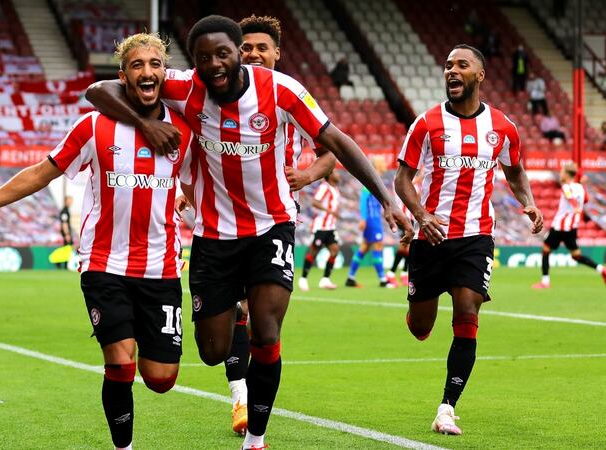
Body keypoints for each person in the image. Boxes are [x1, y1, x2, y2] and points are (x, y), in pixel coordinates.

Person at [86, 16, 411, 450]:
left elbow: (336, 140)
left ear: (239, 52)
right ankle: (236, 318)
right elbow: (100, 90)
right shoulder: (186, 86)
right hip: (214, 234)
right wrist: (146, 124)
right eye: (204, 58)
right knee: (212, 350)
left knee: (267, 333)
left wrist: (387, 197)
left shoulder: (281, 90)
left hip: (271, 227)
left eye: (223, 54)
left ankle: (256, 439)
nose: (214, 65)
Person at [0, 33, 194, 450]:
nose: (147, 71)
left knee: (161, 379)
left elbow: (209, 178)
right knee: (120, 361)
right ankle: (123, 448)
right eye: (137, 65)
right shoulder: (93, 125)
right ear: (123, 75)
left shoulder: (184, 129)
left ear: (165, 72)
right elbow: (41, 173)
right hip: (103, 263)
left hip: (160, 267)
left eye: (155, 64)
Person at [395, 44, 544, 436]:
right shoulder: (425, 124)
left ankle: (447, 407)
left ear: (479, 74)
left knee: (467, 313)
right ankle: (416, 310)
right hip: (431, 237)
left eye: (461, 65)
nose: (451, 71)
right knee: (421, 328)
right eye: (447, 66)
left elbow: (514, 173)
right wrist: (422, 216)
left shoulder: (502, 127)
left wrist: (528, 203)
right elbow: (402, 180)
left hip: (476, 237)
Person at [208, 13, 338, 437]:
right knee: (229, 321)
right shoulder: (217, 90)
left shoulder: (290, 95)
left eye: (262, 47)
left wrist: (307, 175)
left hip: (275, 220)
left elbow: (329, 153)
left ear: (277, 54)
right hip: (222, 223)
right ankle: (238, 394)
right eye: (246, 48)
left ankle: (248, 413)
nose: (254, 54)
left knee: (262, 321)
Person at [532, 162, 606, 289]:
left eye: (562, 171)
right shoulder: (580, 187)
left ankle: (545, 282)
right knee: (576, 256)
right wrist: (583, 187)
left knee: (546, 250)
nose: (560, 173)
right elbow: (585, 200)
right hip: (572, 228)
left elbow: (570, 198)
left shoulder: (566, 187)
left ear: (566, 174)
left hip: (560, 227)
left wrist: (575, 207)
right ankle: (602, 270)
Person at [345, 156, 395, 288]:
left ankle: (350, 277)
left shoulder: (376, 180)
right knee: (378, 246)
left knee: (364, 247)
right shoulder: (371, 180)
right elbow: (363, 200)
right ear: (378, 165)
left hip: (374, 219)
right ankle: (383, 279)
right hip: (372, 220)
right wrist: (364, 218)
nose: (385, 164)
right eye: (383, 162)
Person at [298, 170, 341, 291]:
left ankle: (325, 280)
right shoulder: (324, 187)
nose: (338, 175)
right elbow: (314, 202)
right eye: (336, 173)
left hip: (331, 227)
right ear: (330, 175)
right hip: (321, 226)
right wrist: (329, 211)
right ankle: (303, 279)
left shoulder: (335, 189)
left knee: (335, 250)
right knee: (313, 251)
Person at [56, 196, 74, 269]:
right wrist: (67, 234)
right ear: (66, 201)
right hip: (66, 233)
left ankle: (61, 263)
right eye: (70, 201)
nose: (71, 202)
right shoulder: (64, 211)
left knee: (66, 248)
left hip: (66, 233)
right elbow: (64, 223)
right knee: (66, 249)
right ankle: (61, 263)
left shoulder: (66, 210)